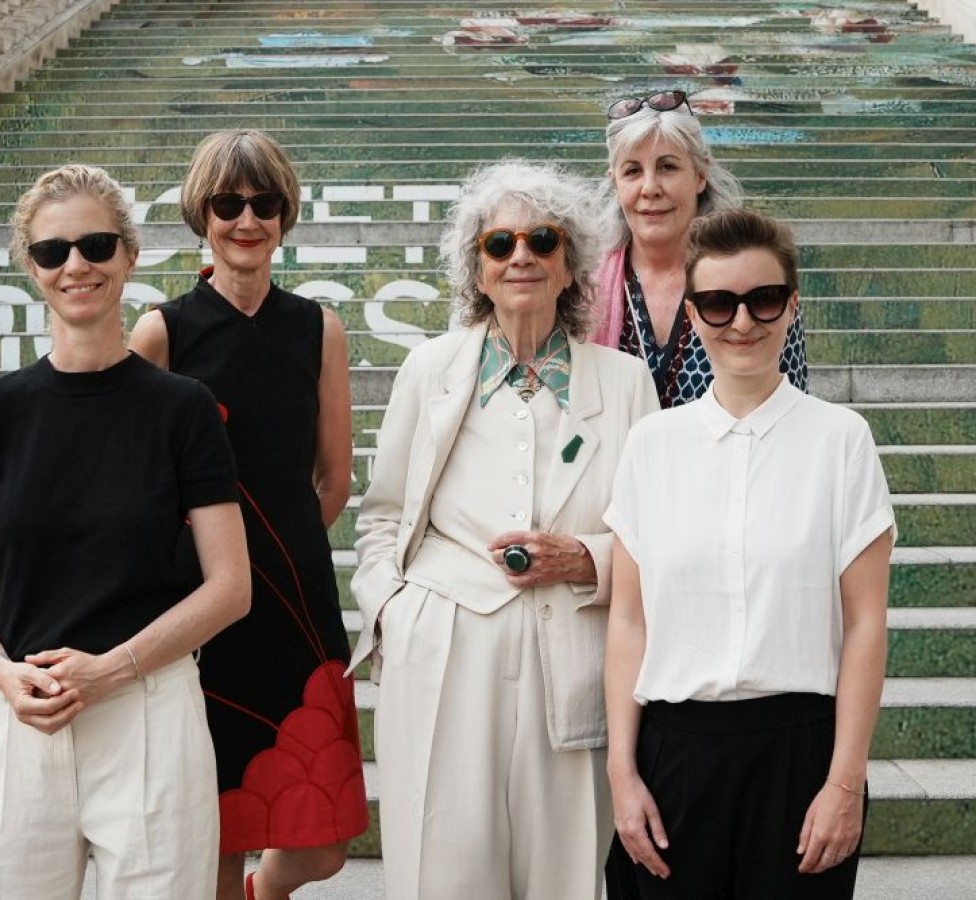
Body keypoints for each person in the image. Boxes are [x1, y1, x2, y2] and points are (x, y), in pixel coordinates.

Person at [0, 163, 251, 897]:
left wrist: (111, 669)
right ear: (32, 268)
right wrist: (5, 676)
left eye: (97, 245)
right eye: (53, 251)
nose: (77, 265)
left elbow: (231, 587)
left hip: (147, 710)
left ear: (130, 256)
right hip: (19, 711)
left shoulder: (182, 407)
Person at [347, 158, 660, 899]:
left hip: (576, 653)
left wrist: (586, 558)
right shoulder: (429, 369)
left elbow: (656, 533)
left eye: (542, 241)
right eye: (499, 244)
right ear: (478, 271)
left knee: (566, 873)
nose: (521, 256)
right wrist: (396, 610)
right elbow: (384, 514)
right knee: (443, 868)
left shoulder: (623, 382)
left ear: (570, 267)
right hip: (444, 645)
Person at [603, 208, 895, 898]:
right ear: (696, 312)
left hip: (799, 754)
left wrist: (844, 783)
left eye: (763, 300)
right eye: (718, 302)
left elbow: (865, 625)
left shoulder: (840, 440)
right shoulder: (653, 444)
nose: (742, 323)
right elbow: (628, 622)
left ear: (792, 306)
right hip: (673, 756)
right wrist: (623, 773)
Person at [129, 129, 366, 900]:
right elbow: (137, 488)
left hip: (298, 603)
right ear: (202, 213)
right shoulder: (163, 331)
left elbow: (332, 476)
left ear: (285, 214)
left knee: (324, 844)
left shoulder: (317, 327)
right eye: (228, 203)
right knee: (215, 844)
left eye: (264, 203)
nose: (246, 219)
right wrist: (213, 571)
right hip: (205, 615)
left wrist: (280, 545)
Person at [591, 89, 808, 407]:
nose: (650, 188)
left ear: (700, 176)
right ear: (615, 183)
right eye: (633, 171)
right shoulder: (585, 286)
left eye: (668, 167)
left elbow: (792, 404)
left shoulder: (753, 282)